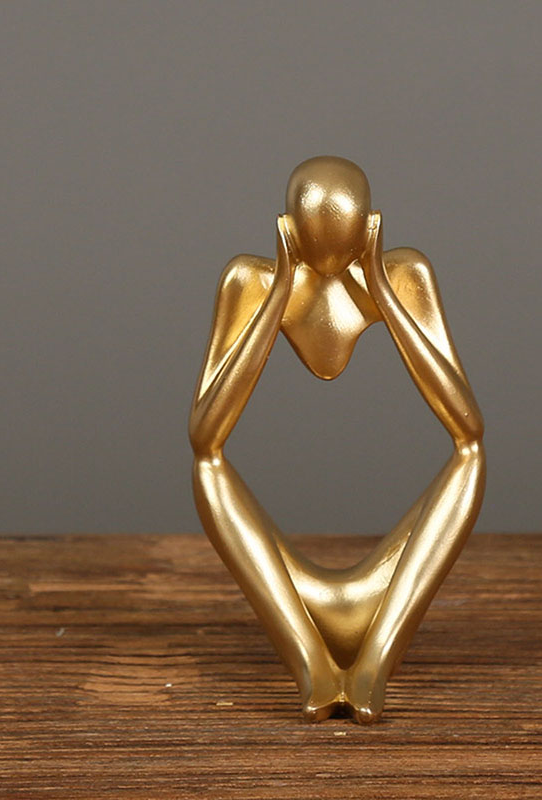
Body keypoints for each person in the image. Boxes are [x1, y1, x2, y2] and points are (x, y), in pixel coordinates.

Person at [189, 156, 485, 723]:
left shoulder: (405, 274)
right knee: (207, 466)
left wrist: (382, 289)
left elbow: (468, 426)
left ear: (369, 228)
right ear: (289, 230)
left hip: (383, 590)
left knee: (472, 457)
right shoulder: (248, 282)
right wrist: (278, 293)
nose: (328, 260)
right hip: (293, 591)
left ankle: (376, 659)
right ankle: (309, 662)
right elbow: (205, 435)